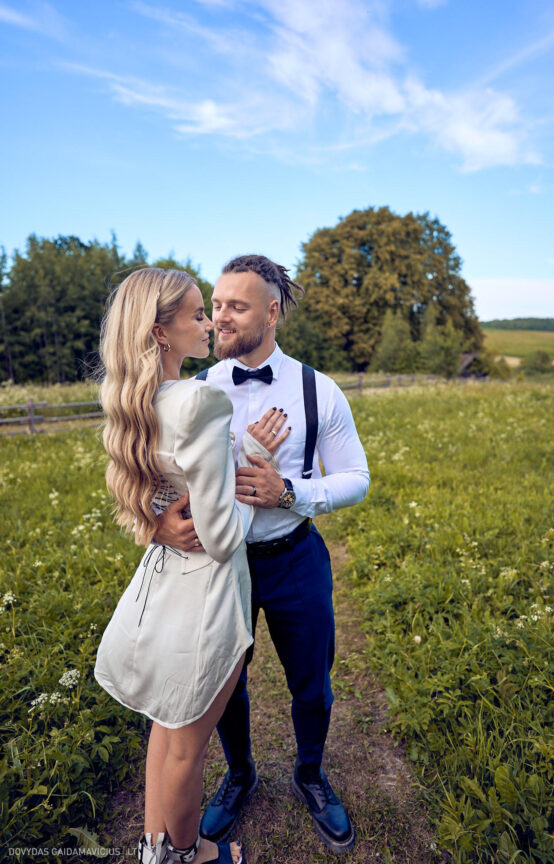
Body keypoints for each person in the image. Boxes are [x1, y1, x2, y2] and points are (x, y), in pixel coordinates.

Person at [154, 255, 370, 854]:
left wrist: (290, 492)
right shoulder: (195, 389)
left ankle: (311, 775)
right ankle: (239, 775)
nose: (219, 317)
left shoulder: (318, 390)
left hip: (296, 558)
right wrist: (158, 522)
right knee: (224, 682)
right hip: (220, 566)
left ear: (271, 313)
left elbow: (356, 478)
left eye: (236, 306)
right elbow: (161, 477)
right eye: (215, 305)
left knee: (312, 683)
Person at [94, 267, 289, 864]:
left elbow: (158, 493)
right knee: (187, 748)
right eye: (198, 314)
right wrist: (255, 463)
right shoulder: (199, 400)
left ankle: (154, 849)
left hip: (161, 585)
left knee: (166, 725)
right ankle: (190, 853)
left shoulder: (133, 400)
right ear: (160, 332)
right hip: (206, 597)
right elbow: (222, 537)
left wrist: (156, 521)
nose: (210, 324)